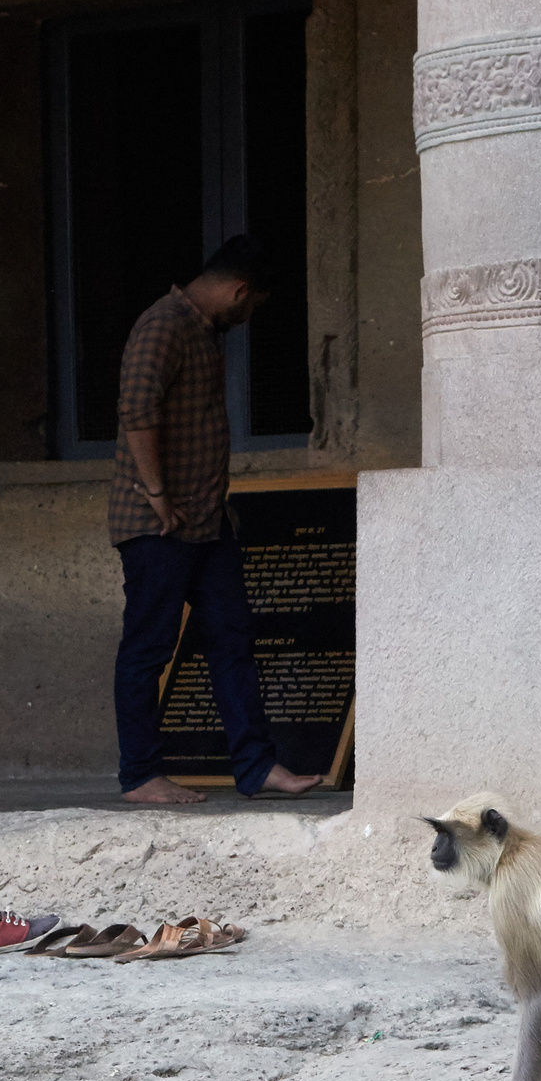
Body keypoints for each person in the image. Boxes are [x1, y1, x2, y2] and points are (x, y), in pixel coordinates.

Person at [109, 236, 327, 807]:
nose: (248, 317)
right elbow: (136, 412)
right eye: (251, 306)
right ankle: (140, 775)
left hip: (206, 524)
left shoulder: (205, 331)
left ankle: (256, 767)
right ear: (238, 290)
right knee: (148, 649)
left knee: (232, 640)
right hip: (158, 525)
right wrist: (157, 494)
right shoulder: (162, 326)